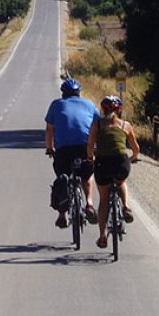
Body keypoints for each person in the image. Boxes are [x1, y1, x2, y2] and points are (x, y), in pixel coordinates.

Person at [45, 78, 101, 228]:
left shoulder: (56, 105)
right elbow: (98, 126)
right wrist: (97, 147)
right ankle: (89, 204)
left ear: (63, 93)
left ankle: (62, 215)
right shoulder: (89, 104)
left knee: (63, 177)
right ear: (79, 93)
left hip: (63, 150)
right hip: (84, 147)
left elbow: (49, 129)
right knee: (87, 174)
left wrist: (49, 148)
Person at [87, 95, 141, 248]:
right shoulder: (126, 125)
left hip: (102, 164)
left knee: (104, 200)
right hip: (121, 163)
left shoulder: (96, 125)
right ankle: (125, 206)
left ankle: (103, 236)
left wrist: (90, 158)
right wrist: (133, 158)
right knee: (121, 181)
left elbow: (90, 146)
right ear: (119, 110)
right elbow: (136, 149)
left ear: (103, 110)